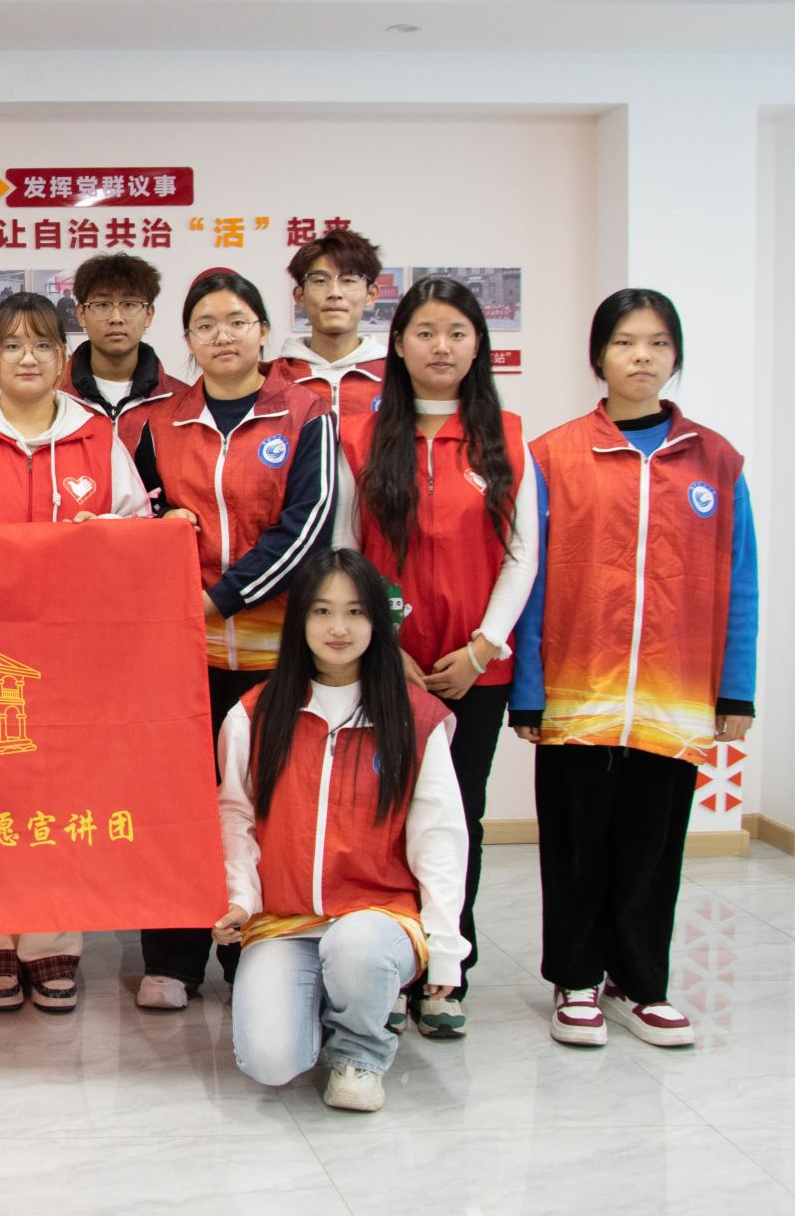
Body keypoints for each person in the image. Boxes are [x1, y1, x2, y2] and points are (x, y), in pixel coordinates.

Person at [511, 289, 757, 1050]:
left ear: (675, 356)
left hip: (674, 693)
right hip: (577, 688)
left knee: (654, 843)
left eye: (657, 342)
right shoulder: (553, 456)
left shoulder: (716, 460)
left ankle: (641, 983)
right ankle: (576, 979)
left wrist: (736, 688)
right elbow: (529, 579)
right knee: (576, 840)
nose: (641, 356)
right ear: (599, 356)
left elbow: (740, 578)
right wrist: (529, 691)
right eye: (624, 342)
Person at [0, 292, 147, 1013]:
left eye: (43, 344)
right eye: (12, 344)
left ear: (61, 357)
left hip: (75, 659)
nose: (27, 357)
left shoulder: (97, 437)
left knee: (60, 796)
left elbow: (138, 532)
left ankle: (52, 941)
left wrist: (100, 536)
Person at [335, 276, 537, 1039]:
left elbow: (522, 554)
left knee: (458, 818)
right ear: (398, 343)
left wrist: (484, 646)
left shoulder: (507, 436)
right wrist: (386, 644)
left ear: (478, 344)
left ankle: (448, 970)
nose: (441, 346)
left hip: (474, 669)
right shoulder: (360, 436)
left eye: (457, 331)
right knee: (382, 815)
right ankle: (389, 965)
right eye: (425, 331)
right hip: (386, 666)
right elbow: (347, 551)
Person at [136, 270, 336, 1010]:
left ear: (263, 331)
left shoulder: (306, 411)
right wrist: (164, 539)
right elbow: (139, 519)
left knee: (266, 804)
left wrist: (217, 598)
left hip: (274, 650)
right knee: (179, 801)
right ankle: (173, 959)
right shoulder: (157, 422)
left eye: (238, 320)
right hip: (181, 654)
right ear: (187, 340)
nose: (223, 335)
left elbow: (306, 524)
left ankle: (260, 950)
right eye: (206, 324)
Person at [214, 549, 467, 1113]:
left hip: (378, 919)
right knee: (270, 1062)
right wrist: (241, 898)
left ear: (377, 622)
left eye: (355, 612)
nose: (338, 628)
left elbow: (440, 837)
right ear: (299, 620)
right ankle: (335, 1006)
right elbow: (235, 817)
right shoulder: (253, 715)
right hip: (284, 921)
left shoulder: (416, 718)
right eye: (322, 611)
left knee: (356, 946)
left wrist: (446, 947)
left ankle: (360, 1052)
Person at [58, 251, 175, 457]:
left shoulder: (179, 400)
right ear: (81, 314)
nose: (116, 318)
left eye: (129, 305)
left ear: (148, 314)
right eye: (102, 305)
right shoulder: (53, 396)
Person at [272, 229, 388, 416]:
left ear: (371, 294)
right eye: (320, 281)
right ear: (300, 296)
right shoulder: (272, 378)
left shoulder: (396, 377)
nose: (334, 293)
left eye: (348, 280)